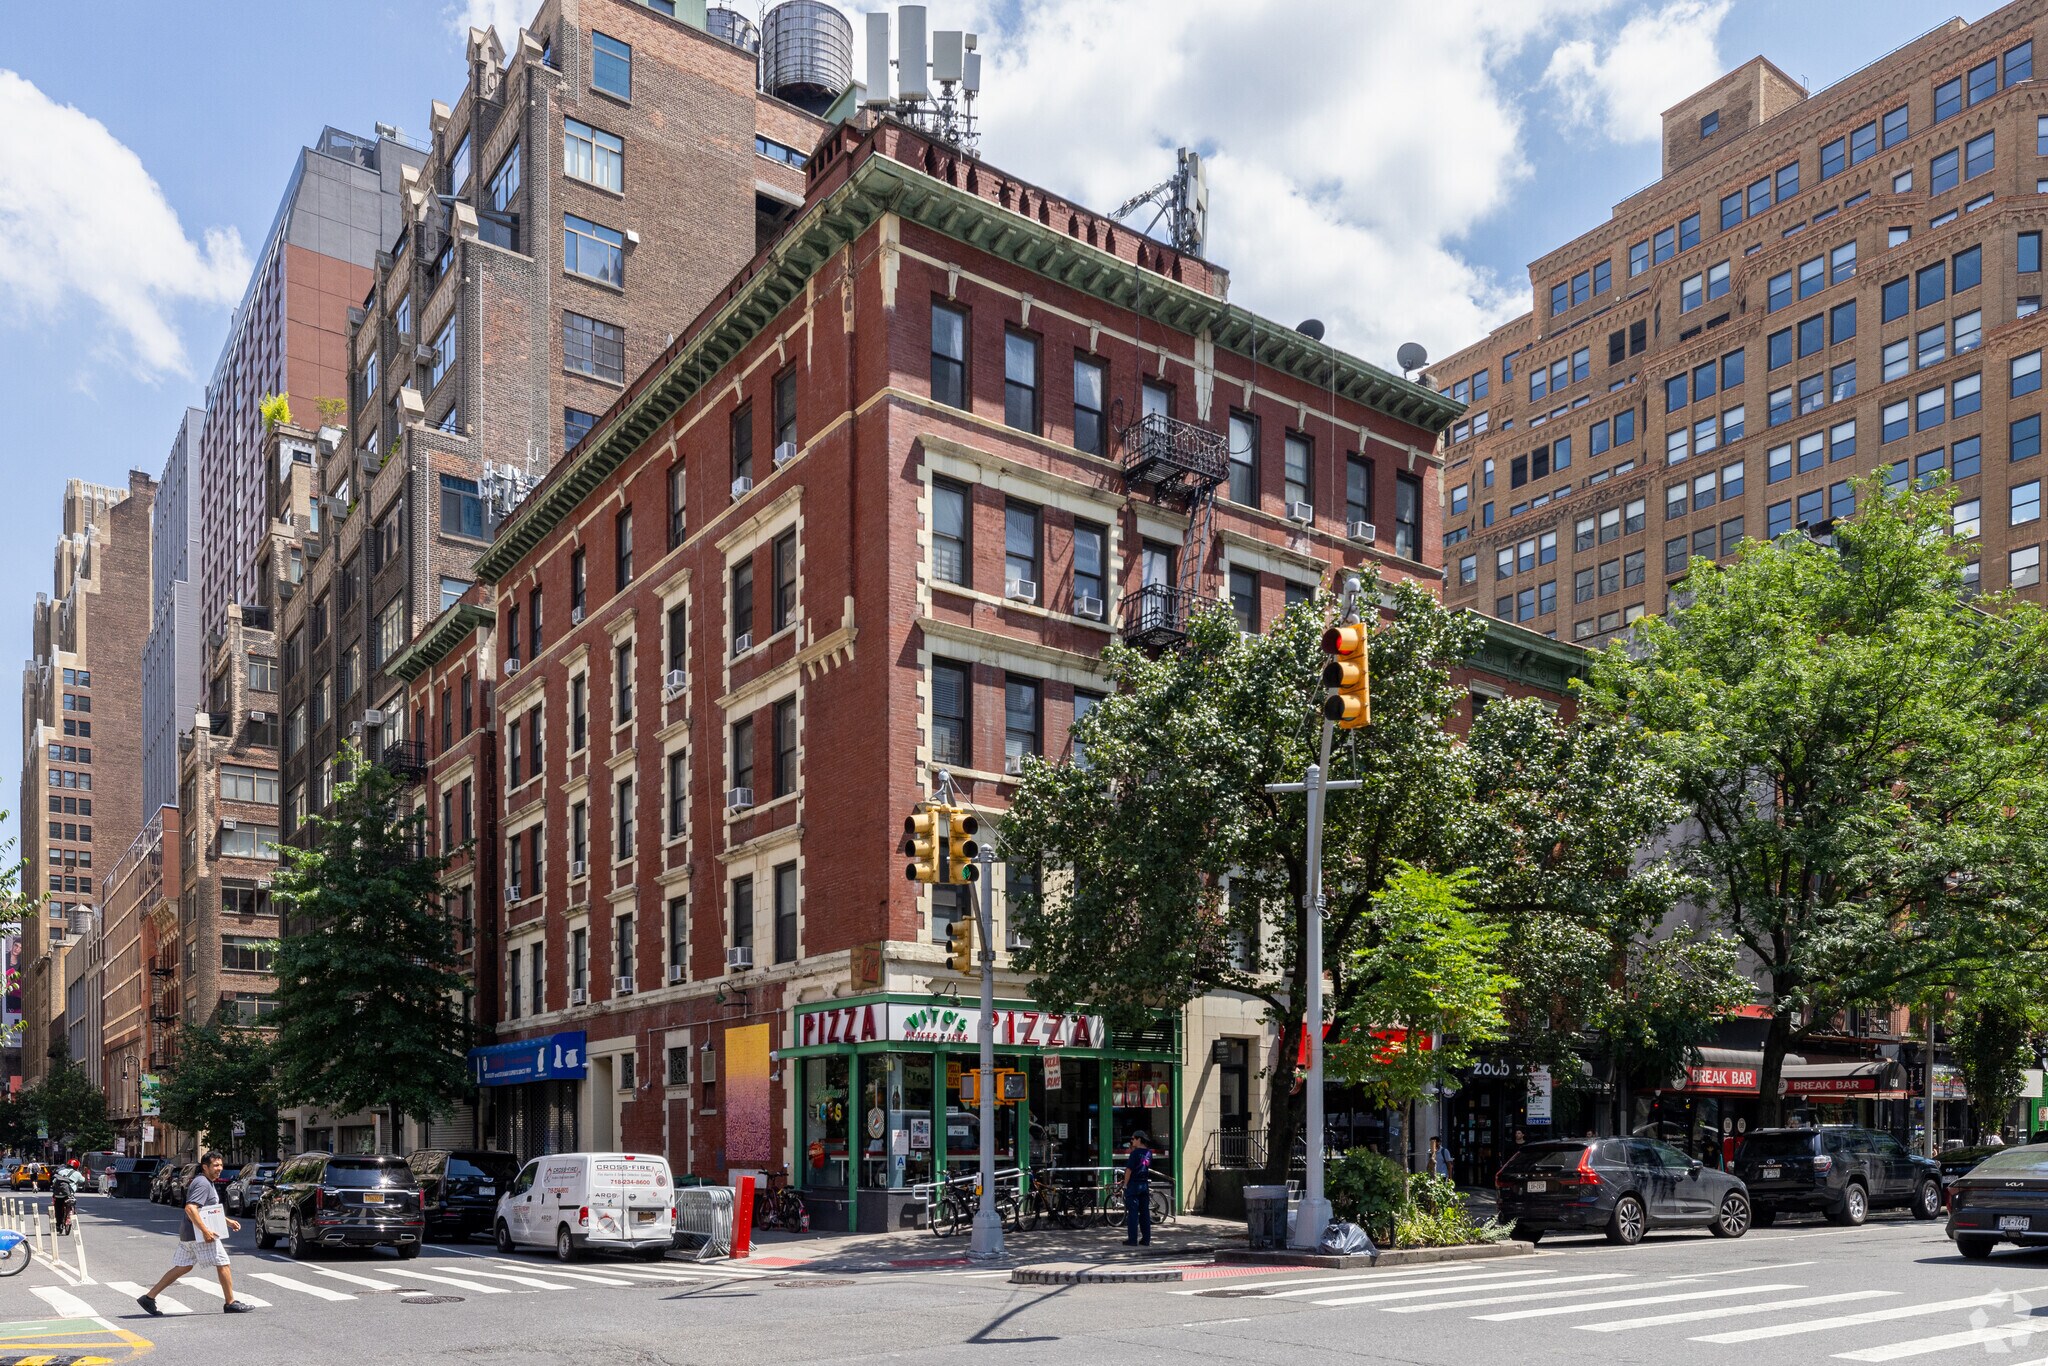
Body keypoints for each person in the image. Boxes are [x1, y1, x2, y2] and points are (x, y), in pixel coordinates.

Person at [137, 1151, 253, 1315]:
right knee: (223, 1263)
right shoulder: (203, 1183)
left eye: (221, 1165)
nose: (219, 1168)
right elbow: (191, 1208)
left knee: (183, 1267)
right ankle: (230, 1302)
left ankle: (149, 1297)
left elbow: (208, 1210)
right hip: (199, 1235)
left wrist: (227, 1221)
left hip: (190, 1234)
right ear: (205, 1167)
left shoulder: (206, 1181)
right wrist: (205, 1231)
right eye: (215, 1166)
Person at [1120, 1131, 1155, 1247]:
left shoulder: (1134, 1154)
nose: (1132, 1140)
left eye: (1133, 1138)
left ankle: (1132, 1240)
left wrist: (1125, 1184)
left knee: (1133, 1213)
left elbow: (1129, 1170)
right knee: (1145, 1213)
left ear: (1139, 1139)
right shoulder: (1149, 1153)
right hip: (1144, 1185)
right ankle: (1146, 1239)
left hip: (1134, 1185)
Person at [51, 1159, 83, 1235]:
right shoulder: (77, 1173)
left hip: (58, 1194)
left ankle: (58, 1225)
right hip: (69, 1194)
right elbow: (82, 1180)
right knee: (71, 1204)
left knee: (57, 1209)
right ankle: (69, 1219)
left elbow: (53, 1182)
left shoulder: (60, 1171)